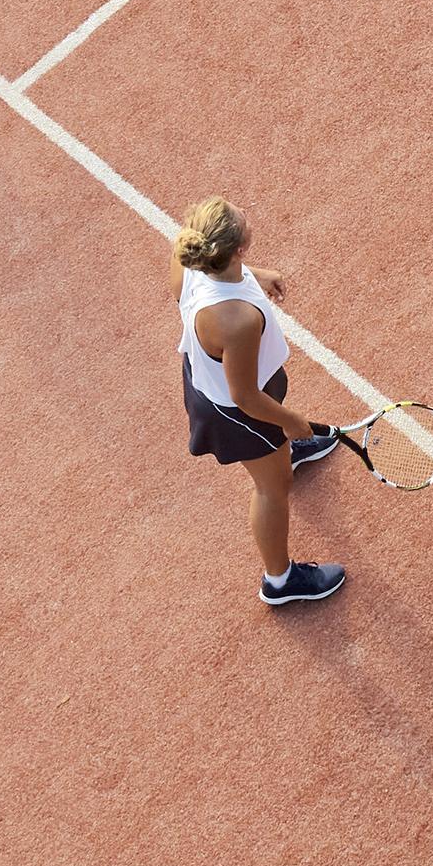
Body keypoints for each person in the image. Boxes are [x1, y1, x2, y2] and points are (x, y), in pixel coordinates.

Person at [175, 196, 351, 610]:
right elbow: (246, 397)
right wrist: (290, 421)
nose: (246, 213)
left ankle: (281, 452)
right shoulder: (235, 320)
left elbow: (217, 278)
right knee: (274, 489)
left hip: (220, 382)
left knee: (276, 449)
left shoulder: (190, 254)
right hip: (237, 411)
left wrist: (255, 274)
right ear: (238, 247)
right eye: (242, 217)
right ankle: (280, 579)